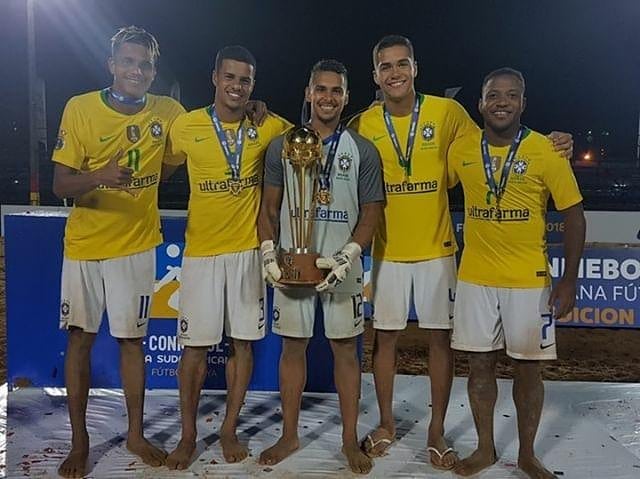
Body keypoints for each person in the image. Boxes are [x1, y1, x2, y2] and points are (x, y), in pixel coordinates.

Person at [349, 35, 573, 470]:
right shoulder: (363, 122)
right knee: (385, 339)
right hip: (387, 250)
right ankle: (386, 424)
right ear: (375, 75)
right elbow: (328, 141)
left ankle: (436, 431)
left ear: (415, 68)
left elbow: (496, 140)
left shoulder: (447, 112)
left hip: (438, 250)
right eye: (386, 66)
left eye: (402, 63)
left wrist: (553, 141)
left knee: (440, 341)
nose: (395, 72)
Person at [52, 26, 186, 478]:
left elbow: (173, 162)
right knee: (80, 340)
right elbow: (60, 185)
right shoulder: (80, 107)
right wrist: (99, 176)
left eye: (145, 64)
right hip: (85, 246)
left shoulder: (168, 112)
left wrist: (254, 108)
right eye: (128, 61)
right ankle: (80, 443)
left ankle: (135, 435)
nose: (136, 70)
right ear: (112, 65)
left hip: (136, 245)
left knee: (132, 341)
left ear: (153, 71)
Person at [448, 67, 585, 479]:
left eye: (511, 95)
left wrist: (569, 279)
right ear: (480, 103)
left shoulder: (547, 150)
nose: (501, 102)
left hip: (529, 281)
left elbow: (574, 216)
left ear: (523, 103)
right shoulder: (461, 149)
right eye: (493, 95)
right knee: (479, 367)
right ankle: (484, 449)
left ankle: (527, 454)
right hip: (475, 278)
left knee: (528, 369)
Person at [163, 45, 291, 470]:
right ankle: (187, 436)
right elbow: (158, 169)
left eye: (245, 80)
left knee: (243, 345)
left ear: (253, 85)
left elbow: (309, 140)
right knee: (194, 351)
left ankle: (229, 429)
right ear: (215, 78)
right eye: (230, 77)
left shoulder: (267, 124)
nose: (237, 86)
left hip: (247, 254)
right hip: (201, 254)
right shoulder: (186, 126)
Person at [257, 59, 385, 474]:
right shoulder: (282, 145)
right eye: (321, 89)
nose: (328, 97)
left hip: (341, 266)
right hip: (294, 264)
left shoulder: (362, 150)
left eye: (336, 91)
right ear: (308, 93)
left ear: (346, 98)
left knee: (345, 349)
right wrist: (268, 251)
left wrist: (349, 255)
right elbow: (269, 207)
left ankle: (348, 439)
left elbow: (371, 212)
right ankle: (289, 435)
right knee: (292, 347)